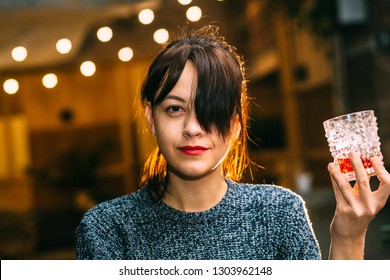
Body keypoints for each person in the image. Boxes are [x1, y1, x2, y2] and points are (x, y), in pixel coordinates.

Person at [75, 25, 390, 260]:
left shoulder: (279, 212)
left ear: (237, 123)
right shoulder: (107, 229)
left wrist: (348, 233)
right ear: (150, 117)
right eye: (175, 109)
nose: (193, 128)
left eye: (210, 109)